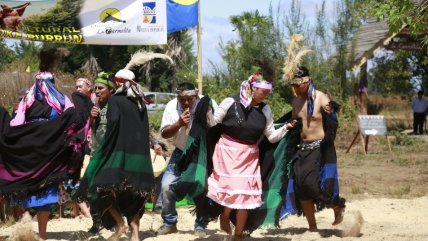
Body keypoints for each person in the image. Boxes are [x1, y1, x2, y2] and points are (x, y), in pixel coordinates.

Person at [0, 47, 91, 240]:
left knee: (28, 189)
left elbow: (16, 123)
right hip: (50, 157)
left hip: (31, 156)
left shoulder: (27, 101)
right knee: (44, 193)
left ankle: (30, 229)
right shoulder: (61, 102)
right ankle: (40, 235)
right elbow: (74, 120)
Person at [203, 68, 295, 241]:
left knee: (245, 196)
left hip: (249, 157)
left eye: (268, 92)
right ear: (252, 87)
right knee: (231, 190)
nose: (266, 95)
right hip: (227, 153)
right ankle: (225, 214)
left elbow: (272, 137)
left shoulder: (265, 110)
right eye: (263, 91)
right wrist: (206, 110)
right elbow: (213, 122)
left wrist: (286, 128)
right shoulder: (231, 101)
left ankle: (238, 235)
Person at [74, 69, 154, 241]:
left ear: (116, 85)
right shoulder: (140, 103)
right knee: (134, 196)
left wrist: (103, 152)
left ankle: (120, 224)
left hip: (116, 157)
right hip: (139, 159)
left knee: (96, 186)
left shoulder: (115, 101)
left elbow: (112, 128)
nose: (97, 91)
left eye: (101, 87)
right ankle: (135, 235)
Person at [286, 66, 345, 232]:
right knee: (301, 187)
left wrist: (331, 113)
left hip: (320, 149)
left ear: (307, 81)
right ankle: (312, 227)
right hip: (302, 149)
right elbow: (295, 123)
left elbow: (333, 122)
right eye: (294, 85)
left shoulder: (321, 98)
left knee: (321, 187)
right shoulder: (296, 100)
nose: (295, 88)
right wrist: (291, 126)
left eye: (298, 84)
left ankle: (337, 207)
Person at [156, 82, 215, 237]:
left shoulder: (206, 103)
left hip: (201, 154)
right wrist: (179, 123)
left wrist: (209, 116)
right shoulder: (171, 106)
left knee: (201, 186)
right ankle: (169, 223)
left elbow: (215, 128)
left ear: (196, 95)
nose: (187, 102)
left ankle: (200, 225)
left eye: (190, 99)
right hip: (181, 152)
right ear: (177, 96)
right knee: (166, 185)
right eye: (182, 99)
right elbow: (164, 134)